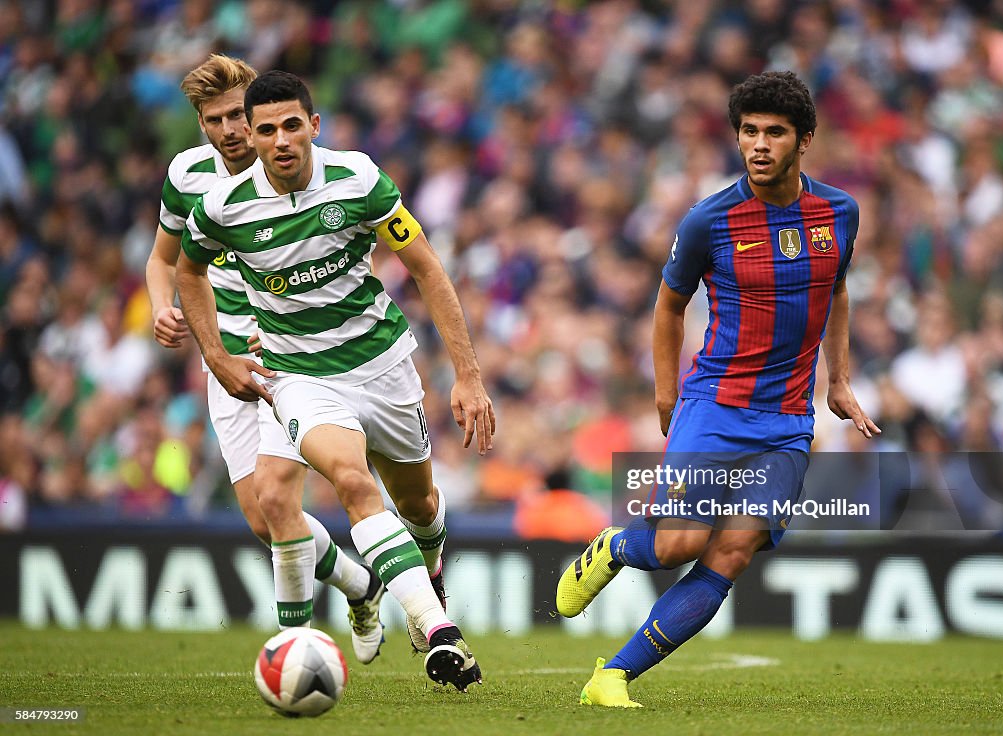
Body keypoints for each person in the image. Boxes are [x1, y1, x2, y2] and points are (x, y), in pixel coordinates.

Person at [555, 71, 881, 707]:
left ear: (804, 140)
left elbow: (836, 289)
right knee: (678, 543)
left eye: (775, 133)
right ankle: (618, 544)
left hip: (787, 420)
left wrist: (837, 379)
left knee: (733, 549)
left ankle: (612, 676)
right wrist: (664, 391)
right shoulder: (711, 219)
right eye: (749, 132)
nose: (759, 145)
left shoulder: (840, 212)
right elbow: (668, 307)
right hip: (716, 405)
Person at [176, 70, 496, 692]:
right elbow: (187, 273)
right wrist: (216, 357)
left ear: (314, 126)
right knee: (350, 481)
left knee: (421, 506)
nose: (279, 140)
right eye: (265, 129)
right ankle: (439, 631)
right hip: (298, 376)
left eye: (292, 125)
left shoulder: (358, 180)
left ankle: (426, 571)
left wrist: (468, 375)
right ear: (252, 135)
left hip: (382, 363)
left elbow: (427, 269)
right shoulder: (223, 208)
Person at [145, 55, 386, 663]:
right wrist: (160, 307)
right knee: (260, 516)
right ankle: (361, 584)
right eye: (213, 120)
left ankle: (294, 645)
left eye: (236, 116)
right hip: (221, 358)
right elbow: (165, 260)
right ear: (199, 124)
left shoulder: (290, 161)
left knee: (280, 501)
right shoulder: (188, 174)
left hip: (287, 354)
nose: (229, 130)